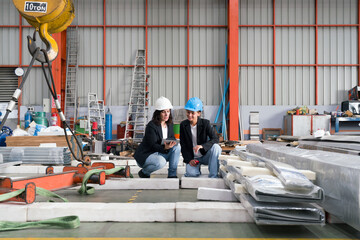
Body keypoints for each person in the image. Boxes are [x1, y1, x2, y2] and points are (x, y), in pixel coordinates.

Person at [134, 96, 180, 178]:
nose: (166, 114)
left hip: (161, 152)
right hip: (148, 154)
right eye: (163, 112)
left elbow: (172, 137)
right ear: (158, 113)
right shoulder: (151, 126)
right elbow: (153, 145)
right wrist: (165, 147)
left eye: (168, 111)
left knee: (177, 147)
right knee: (161, 162)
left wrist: (173, 143)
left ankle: (172, 175)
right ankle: (144, 172)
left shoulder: (169, 124)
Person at [180, 97, 221, 178]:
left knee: (216, 147)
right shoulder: (183, 125)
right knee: (192, 174)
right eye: (188, 112)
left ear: (199, 113)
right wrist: (189, 160)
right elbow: (183, 145)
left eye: (192, 113)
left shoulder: (205, 123)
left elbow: (215, 139)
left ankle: (213, 176)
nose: (190, 115)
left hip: (205, 156)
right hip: (193, 158)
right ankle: (196, 169)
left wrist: (203, 146)